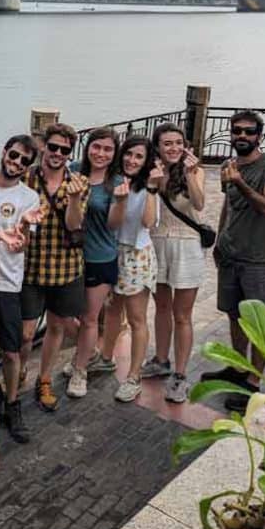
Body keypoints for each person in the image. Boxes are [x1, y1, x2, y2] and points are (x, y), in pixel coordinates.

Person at [204, 111, 265, 412]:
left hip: (258, 261)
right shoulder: (229, 166)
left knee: (259, 325)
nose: (242, 136)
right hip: (230, 256)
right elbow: (229, 204)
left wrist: (239, 182)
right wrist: (219, 240)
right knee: (234, 317)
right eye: (236, 131)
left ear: (259, 135)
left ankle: (253, 383)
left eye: (248, 132)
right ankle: (239, 369)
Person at [0, 135, 43, 442]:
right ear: (4, 152)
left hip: (6, 283)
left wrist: (24, 228)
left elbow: (20, 247)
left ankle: (13, 402)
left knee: (12, 350)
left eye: (24, 161)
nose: (16, 163)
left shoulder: (28, 198)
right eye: (14, 155)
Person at [20, 123, 89, 413]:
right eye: (53, 147)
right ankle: (19, 368)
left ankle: (44, 378)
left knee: (57, 326)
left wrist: (73, 199)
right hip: (29, 267)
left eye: (64, 150)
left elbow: (75, 224)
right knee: (24, 333)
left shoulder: (79, 183)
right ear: (43, 147)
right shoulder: (25, 177)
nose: (58, 154)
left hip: (64, 267)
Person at [142, 123, 207, 404]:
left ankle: (180, 375)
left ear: (186, 146)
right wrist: (153, 183)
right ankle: (160, 358)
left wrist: (191, 174)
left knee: (182, 314)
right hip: (157, 243)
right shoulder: (152, 173)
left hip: (186, 245)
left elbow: (200, 204)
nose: (173, 148)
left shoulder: (196, 171)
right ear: (157, 147)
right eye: (167, 143)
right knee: (161, 307)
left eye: (178, 143)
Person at [98, 136, 160, 402]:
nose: (131, 160)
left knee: (136, 318)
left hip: (136, 253)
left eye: (139, 157)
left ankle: (134, 375)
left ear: (146, 162)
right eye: (128, 154)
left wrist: (152, 188)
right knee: (112, 310)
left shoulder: (147, 187)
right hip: (114, 251)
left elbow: (148, 222)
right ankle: (104, 357)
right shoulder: (115, 182)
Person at [66, 128, 125, 398]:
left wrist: (121, 202)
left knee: (90, 318)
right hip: (68, 256)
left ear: (114, 154)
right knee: (65, 315)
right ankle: (85, 352)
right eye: (96, 147)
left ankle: (80, 370)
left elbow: (113, 225)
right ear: (87, 148)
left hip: (100, 256)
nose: (100, 153)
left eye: (107, 149)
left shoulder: (116, 182)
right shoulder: (74, 170)